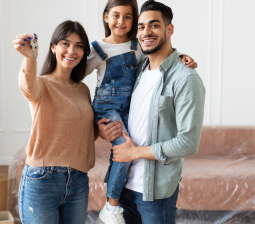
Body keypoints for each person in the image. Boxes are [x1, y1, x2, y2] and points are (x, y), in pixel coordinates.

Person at [85, 0, 197, 223]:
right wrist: (99, 128)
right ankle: (112, 203)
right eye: (142, 26)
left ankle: (111, 203)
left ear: (169, 29)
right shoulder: (140, 68)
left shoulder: (184, 78)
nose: (146, 32)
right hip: (125, 184)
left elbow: (188, 143)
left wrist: (134, 153)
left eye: (154, 25)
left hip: (154, 192)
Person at [13, 20, 97, 224]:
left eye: (79, 46)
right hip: (42, 180)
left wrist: (102, 129)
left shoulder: (83, 90)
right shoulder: (41, 84)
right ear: (53, 47)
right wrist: (30, 58)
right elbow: (27, 85)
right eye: (65, 44)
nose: (72, 51)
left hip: (78, 181)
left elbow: (84, 134)